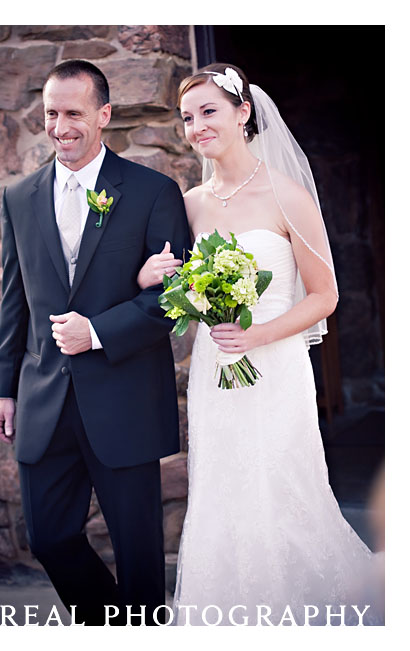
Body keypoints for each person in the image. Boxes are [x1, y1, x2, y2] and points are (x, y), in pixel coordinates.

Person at [137, 63, 384, 625]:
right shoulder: (191, 202)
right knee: (221, 486)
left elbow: (325, 296)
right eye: (187, 117)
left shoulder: (287, 194)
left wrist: (257, 335)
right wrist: (150, 275)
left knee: (280, 481)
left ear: (243, 113)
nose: (197, 126)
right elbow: (179, 285)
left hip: (274, 364)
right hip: (214, 368)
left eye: (209, 112)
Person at [0, 59, 191, 626]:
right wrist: (4, 390)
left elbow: (175, 299)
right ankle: (112, 628)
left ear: (104, 114)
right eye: (51, 113)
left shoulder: (154, 192)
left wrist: (98, 331)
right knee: (48, 538)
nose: (60, 126)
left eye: (74, 112)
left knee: (139, 554)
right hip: (43, 397)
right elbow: (15, 302)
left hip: (123, 394)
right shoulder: (20, 196)